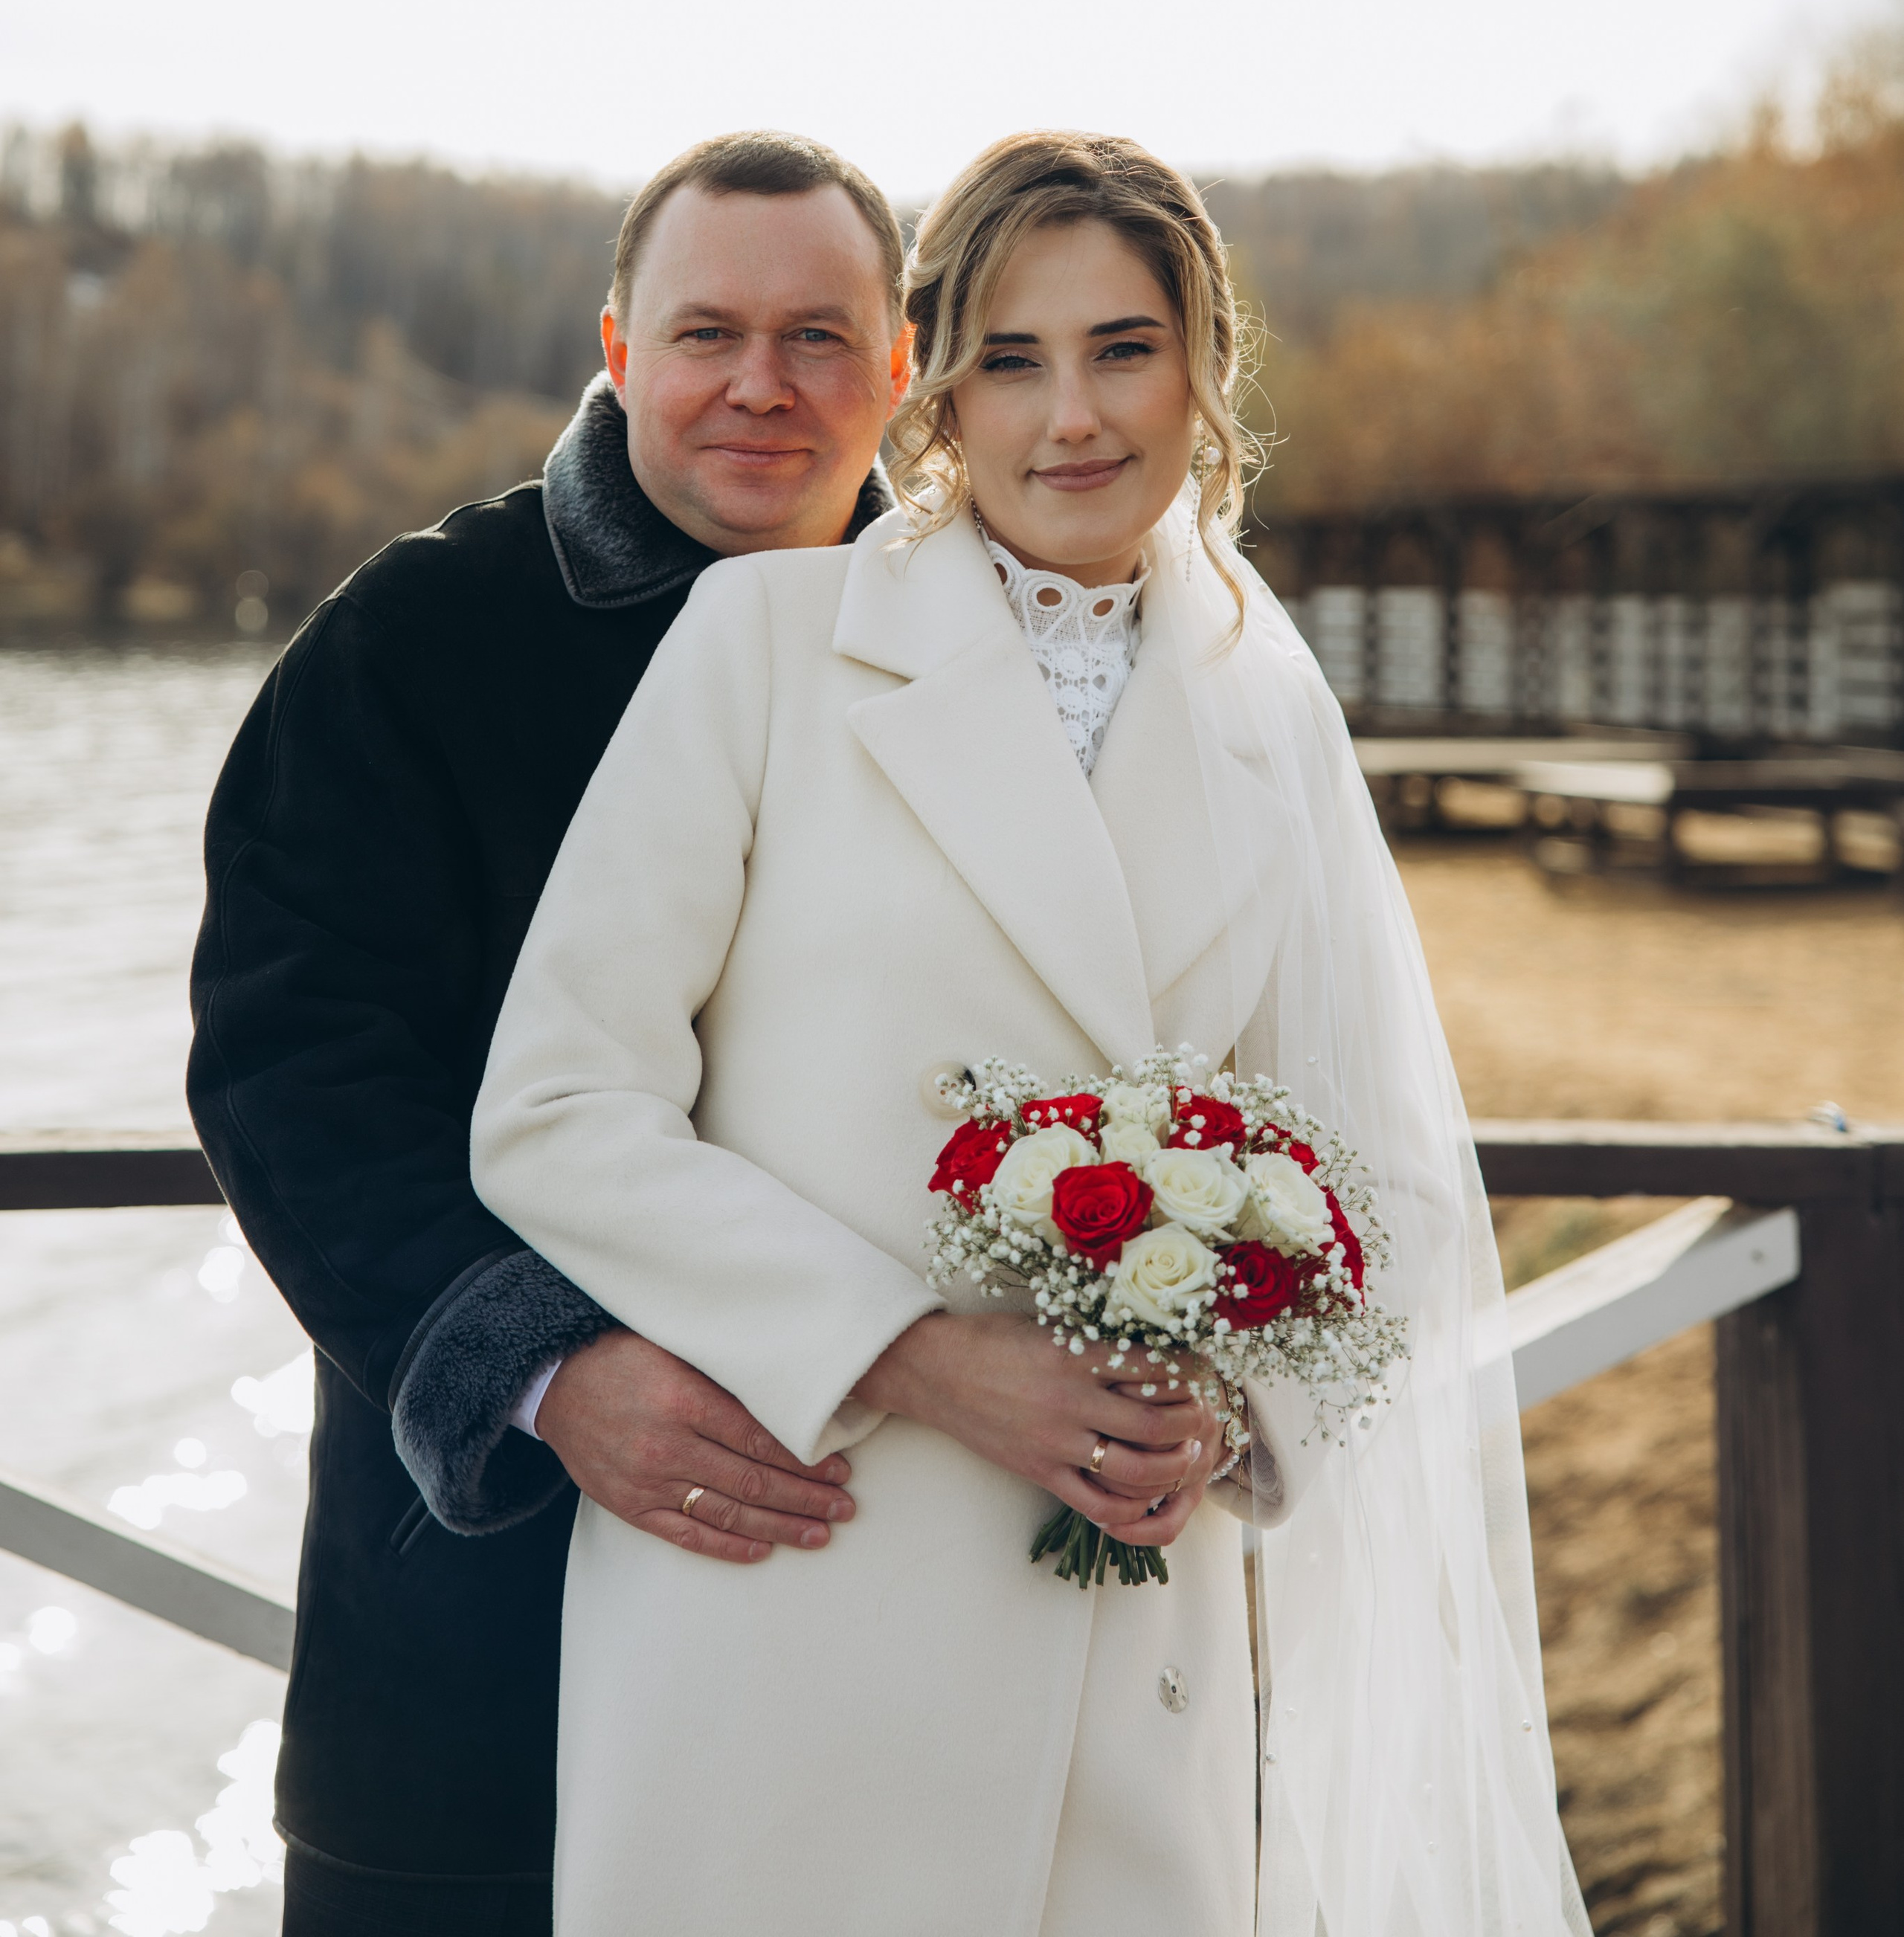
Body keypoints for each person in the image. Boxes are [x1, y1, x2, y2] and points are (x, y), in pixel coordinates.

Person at [472, 130, 1588, 1936]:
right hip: (789, 1608)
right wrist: (916, 1357)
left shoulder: (1267, 709)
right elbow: (560, 1108)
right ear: (936, 395)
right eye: (1011, 358)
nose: (1071, 417)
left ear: (1202, 370)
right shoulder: (764, 639)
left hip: (1130, 1642)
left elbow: (1365, 1174)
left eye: (1123, 349)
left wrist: (1233, 1418)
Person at [187, 132, 913, 1936]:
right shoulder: (413, 643)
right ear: (615, 347)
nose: (761, 384)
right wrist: (543, 1374)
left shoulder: (978, 655)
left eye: (819, 336)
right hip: (486, 1627)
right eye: (705, 333)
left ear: (901, 365)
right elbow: (292, 1071)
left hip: (895, 1619)